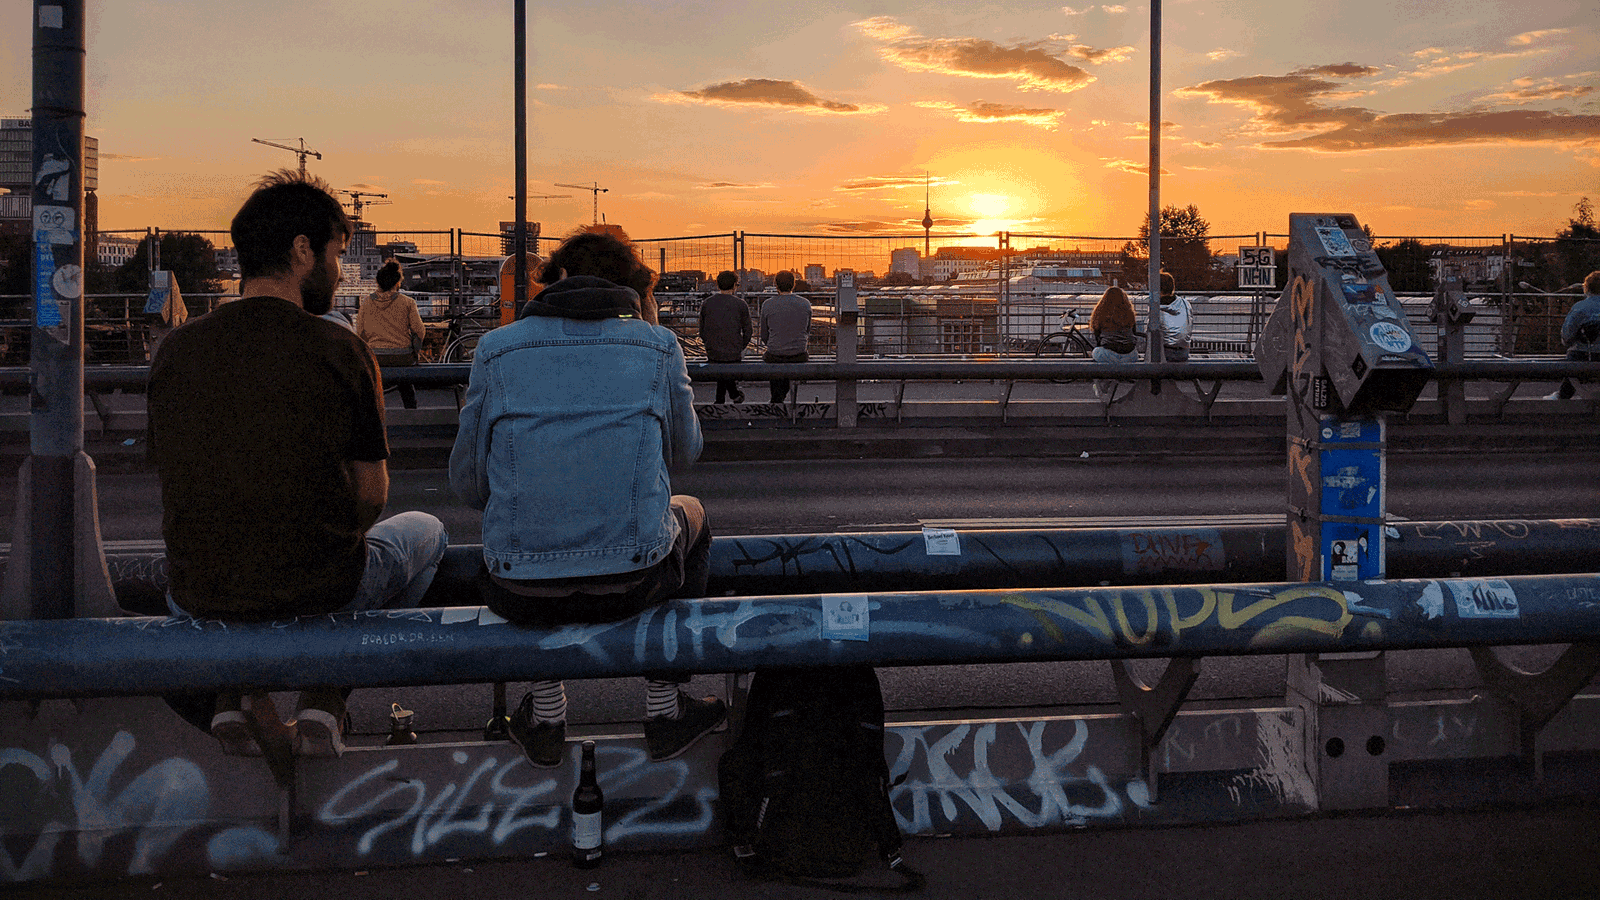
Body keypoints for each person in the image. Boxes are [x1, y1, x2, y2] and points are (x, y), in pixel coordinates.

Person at [147, 169, 449, 758]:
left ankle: (239, 698)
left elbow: (185, 479)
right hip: (319, 586)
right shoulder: (338, 349)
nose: (339, 272)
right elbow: (372, 494)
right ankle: (327, 694)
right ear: (302, 250)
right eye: (336, 253)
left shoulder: (176, 351)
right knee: (429, 534)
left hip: (199, 590)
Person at [450, 227, 725, 768]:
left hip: (518, 583)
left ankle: (547, 712)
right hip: (635, 577)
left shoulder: (497, 349)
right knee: (692, 513)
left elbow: (467, 484)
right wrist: (651, 327)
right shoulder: (656, 345)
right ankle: (665, 706)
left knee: (534, 538)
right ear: (634, 290)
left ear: (554, 281)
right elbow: (686, 454)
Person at [356, 260, 427, 409]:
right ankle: (411, 409)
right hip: (403, 357)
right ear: (397, 282)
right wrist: (415, 352)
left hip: (375, 357)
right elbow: (419, 331)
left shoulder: (366, 303)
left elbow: (360, 333)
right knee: (405, 384)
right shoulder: (408, 302)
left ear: (378, 282)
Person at [698, 270, 752, 403]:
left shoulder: (707, 303)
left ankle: (722, 400)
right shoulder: (741, 304)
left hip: (713, 352)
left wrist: (709, 344)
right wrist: (740, 346)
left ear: (717, 285)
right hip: (733, 352)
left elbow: (702, 331)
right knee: (727, 366)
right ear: (734, 285)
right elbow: (748, 331)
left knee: (721, 367)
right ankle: (733, 395)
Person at [759, 270, 812, 403]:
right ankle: (781, 398)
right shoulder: (805, 304)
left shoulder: (767, 304)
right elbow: (807, 331)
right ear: (793, 284)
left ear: (775, 285)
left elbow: (764, 335)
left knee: (774, 360)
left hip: (775, 353)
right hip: (799, 353)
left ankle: (777, 400)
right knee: (789, 362)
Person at [1549, 270, 1600, 400]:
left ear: (1587, 288)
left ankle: (1563, 395)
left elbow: (1567, 336)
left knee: (1575, 355)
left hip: (1583, 355)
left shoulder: (1580, 308)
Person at [1157, 271, 1192, 363]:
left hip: (1164, 353)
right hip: (1184, 352)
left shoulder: (1156, 307)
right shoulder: (1185, 303)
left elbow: (1149, 331)